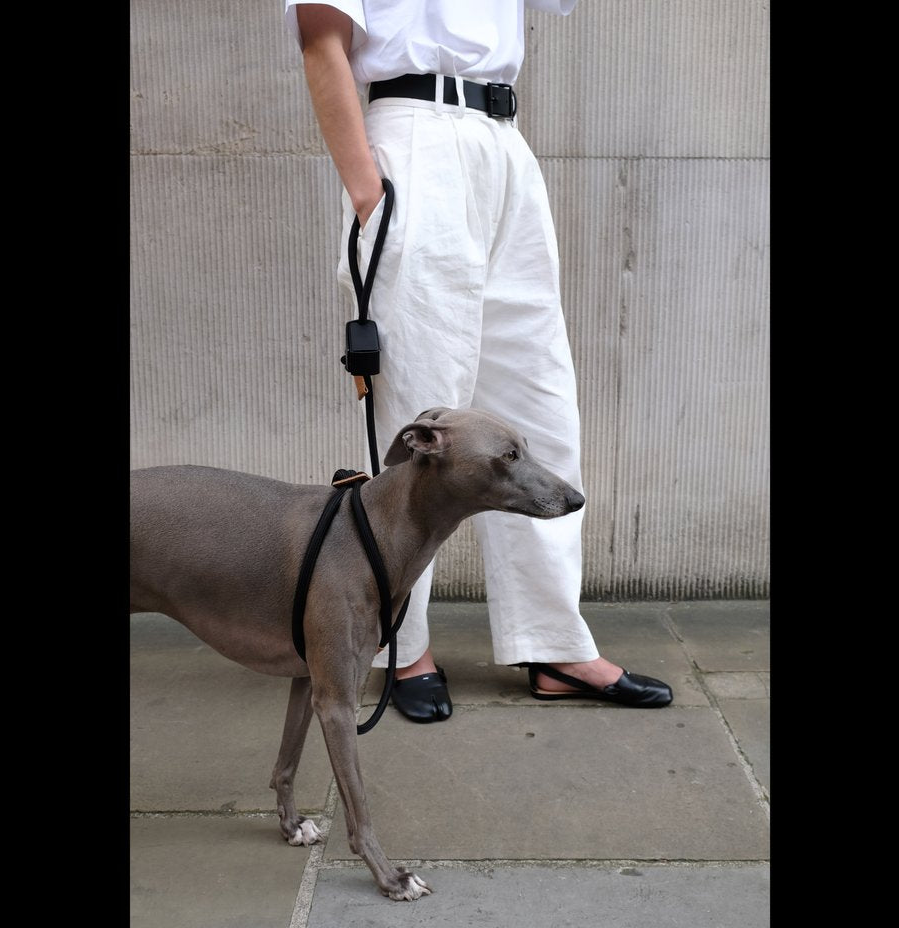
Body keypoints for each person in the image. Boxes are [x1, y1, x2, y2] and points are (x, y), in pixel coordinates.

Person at [285, 0, 673, 722]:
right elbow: (321, 37)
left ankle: (552, 639)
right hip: (414, 143)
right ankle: (401, 642)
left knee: (540, 403)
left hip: (505, 147)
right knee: (419, 418)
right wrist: (368, 194)